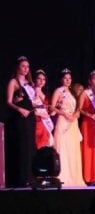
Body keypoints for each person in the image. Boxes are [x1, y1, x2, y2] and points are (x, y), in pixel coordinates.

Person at [4, 56, 37, 187]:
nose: (25, 69)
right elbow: (8, 101)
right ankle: (22, 178)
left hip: (31, 117)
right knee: (23, 146)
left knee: (31, 146)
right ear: (18, 67)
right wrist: (19, 109)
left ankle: (30, 176)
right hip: (21, 117)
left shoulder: (29, 84)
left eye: (27, 67)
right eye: (23, 66)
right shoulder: (14, 81)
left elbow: (33, 100)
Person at [51, 68, 86, 187]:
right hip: (63, 121)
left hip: (73, 123)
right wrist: (64, 113)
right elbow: (52, 107)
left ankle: (74, 178)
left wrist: (76, 114)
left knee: (73, 151)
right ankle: (62, 177)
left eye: (69, 78)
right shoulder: (58, 91)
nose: (68, 80)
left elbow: (78, 108)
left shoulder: (72, 92)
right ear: (61, 79)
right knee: (63, 149)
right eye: (65, 78)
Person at [31, 69, 53, 149]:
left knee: (45, 147)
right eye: (39, 78)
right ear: (34, 79)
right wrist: (40, 113)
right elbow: (29, 109)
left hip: (45, 123)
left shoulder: (46, 94)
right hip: (36, 122)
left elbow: (48, 110)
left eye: (43, 79)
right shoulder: (31, 92)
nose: (41, 81)